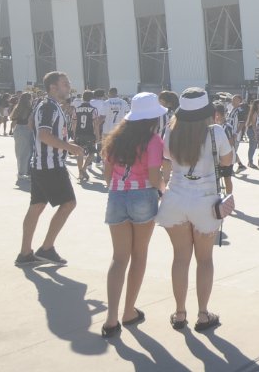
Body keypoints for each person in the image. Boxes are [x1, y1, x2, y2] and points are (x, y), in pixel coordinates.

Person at [156, 87, 233, 332]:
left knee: (180, 258)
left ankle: (180, 313)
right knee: (205, 260)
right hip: (205, 200)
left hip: (176, 197)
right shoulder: (215, 131)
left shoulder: (171, 130)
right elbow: (227, 161)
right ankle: (202, 314)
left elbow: (167, 158)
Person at [99, 92, 167, 338]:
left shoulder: (115, 138)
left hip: (117, 196)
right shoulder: (153, 141)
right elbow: (153, 177)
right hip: (143, 196)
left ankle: (111, 318)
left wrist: (117, 187)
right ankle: (129, 311)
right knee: (139, 255)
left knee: (118, 258)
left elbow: (107, 173)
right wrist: (164, 190)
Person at [16, 72, 84, 266]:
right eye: (65, 84)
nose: (68, 87)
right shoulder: (49, 106)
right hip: (50, 165)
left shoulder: (45, 104)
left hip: (40, 164)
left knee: (37, 206)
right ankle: (46, 248)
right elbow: (44, 135)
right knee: (69, 203)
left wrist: (63, 143)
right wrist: (68, 147)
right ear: (53, 87)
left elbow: (32, 125)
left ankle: (25, 253)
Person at [72, 90, 100, 183]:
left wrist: (74, 134)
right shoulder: (93, 109)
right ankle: (84, 169)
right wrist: (97, 136)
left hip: (79, 133)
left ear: (83, 97)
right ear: (91, 98)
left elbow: (74, 123)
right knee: (92, 152)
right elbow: (96, 124)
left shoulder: (76, 109)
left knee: (79, 153)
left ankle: (80, 173)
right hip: (89, 133)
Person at [10, 92, 34, 179]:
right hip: (26, 130)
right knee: (27, 153)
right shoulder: (30, 108)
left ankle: (21, 171)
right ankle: (23, 172)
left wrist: (12, 131)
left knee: (19, 152)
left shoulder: (17, 107)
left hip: (18, 129)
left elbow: (13, 120)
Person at [227, 94, 249, 172]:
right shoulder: (232, 109)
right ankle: (240, 165)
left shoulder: (240, 111)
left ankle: (230, 169)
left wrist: (236, 133)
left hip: (235, 135)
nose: (232, 101)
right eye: (232, 100)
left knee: (232, 151)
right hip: (229, 134)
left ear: (239, 101)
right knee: (231, 151)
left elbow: (242, 123)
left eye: (234, 100)